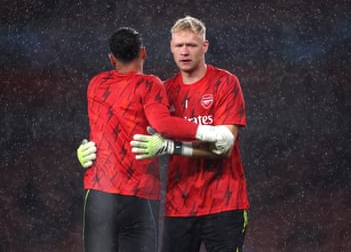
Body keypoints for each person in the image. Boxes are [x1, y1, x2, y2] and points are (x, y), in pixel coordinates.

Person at [76, 26, 234, 252]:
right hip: (139, 194)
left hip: (100, 193)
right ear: (144, 52)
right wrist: (210, 133)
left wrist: (81, 148)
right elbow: (162, 124)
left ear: (111, 59)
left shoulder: (96, 85)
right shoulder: (149, 84)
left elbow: (103, 126)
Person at [131, 16, 250, 252]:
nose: (184, 52)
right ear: (171, 48)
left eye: (191, 45)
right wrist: (92, 150)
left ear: (204, 46)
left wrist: (171, 147)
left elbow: (223, 148)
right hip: (180, 206)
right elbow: (130, 131)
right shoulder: (164, 91)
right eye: (179, 46)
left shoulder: (225, 83)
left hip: (225, 203)